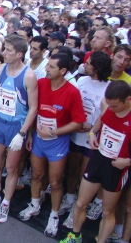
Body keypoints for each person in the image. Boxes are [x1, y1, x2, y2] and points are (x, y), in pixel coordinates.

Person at [19, 53, 85, 238]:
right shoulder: (40, 84)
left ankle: (54, 216)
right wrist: (31, 133)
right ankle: (34, 205)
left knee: (55, 182)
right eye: (47, 65)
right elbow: (33, 110)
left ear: (63, 71)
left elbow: (78, 122)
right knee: (37, 174)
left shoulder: (72, 92)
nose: (46, 69)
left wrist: (55, 132)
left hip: (57, 143)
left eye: (51, 67)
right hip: (38, 140)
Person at [61, 81, 131, 243]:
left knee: (107, 212)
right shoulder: (107, 105)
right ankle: (75, 236)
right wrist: (92, 134)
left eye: (116, 106)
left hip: (116, 167)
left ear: (128, 99)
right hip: (98, 158)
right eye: (109, 105)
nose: (111, 109)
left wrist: (127, 162)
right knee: (80, 204)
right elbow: (101, 119)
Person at [0, 34, 38, 223]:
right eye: (4, 48)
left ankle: (6, 202)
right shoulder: (0, 69)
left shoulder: (29, 76)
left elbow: (33, 107)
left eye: (8, 50)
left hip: (15, 127)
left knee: (11, 169)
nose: (3, 52)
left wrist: (22, 133)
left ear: (19, 54)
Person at [60, 51, 112, 229]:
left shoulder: (108, 88)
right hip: (75, 134)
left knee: (85, 175)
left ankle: (78, 207)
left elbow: (107, 117)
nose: (84, 65)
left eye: (88, 63)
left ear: (96, 67)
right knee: (72, 170)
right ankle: (69, 199)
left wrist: (90, 128)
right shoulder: (81, 81)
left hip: (92, 139)